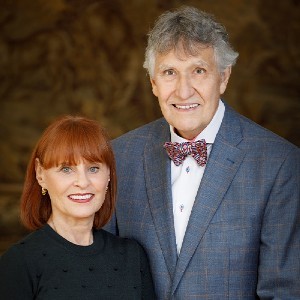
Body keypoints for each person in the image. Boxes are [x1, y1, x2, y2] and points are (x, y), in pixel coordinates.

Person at [104, 6, 300, 299]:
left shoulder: (279, 164)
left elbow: (284, 292)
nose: (183, 91)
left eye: (198, 71)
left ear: (223, 78)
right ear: (153, 83)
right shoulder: (118, 156)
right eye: (170, 72)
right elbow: (100, 275)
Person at [0, 115, 155, 300]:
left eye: (93, 168)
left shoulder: (133, 256)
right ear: (40, 174)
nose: (83, 182)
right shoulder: (18, 262)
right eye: (66, 169)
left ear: (109, 175)